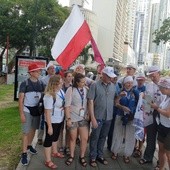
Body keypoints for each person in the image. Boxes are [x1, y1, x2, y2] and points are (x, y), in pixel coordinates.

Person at [87, 66, 116, 167]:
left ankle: (100, 155)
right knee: (95, 137)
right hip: (98, 116)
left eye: (111, 76)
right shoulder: (95, 85)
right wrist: (93, 118)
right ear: (103, 74)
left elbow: (115, 99)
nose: (110, 78)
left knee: (103, 137)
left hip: (108, 117)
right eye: (108, 76)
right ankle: (92, 156)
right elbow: (90, 102)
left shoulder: (113, 86)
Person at [19, 63, 44, 165]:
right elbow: (20, 100)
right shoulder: (25, 83)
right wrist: (21, 114)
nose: (39, 72)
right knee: (26, 132)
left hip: (36, 110)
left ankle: (29, 146)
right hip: (27, 110)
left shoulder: (41, 83)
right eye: (37, 71)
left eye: (39, 71)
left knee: (33, 130)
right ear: (31, 73)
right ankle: (24, 153)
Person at [139, 66, 164, 167]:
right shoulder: (149, 85)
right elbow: (147, 97)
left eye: (153, 76)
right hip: (151, 113)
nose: (152, 78)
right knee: (150, 136)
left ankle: (160, 162)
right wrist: (143, 95)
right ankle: (148, 157)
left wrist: (157, 107)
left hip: (163, 114)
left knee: (161, 141)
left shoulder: (166, 83)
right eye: (150, 76)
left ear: (158, 73)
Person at [111, 76, 139, 164]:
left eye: (131, 83)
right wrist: (122, 107)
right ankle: (115, 151)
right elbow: (115, 103)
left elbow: (139, 104)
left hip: (131, 117)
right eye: (127, 82)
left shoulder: (135, 93)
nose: (129, 84)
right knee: (117, 133)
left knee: (130, 136)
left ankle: (127, 154)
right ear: (124, 84)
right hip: (120, 115)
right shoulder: (120, 92)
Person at [64, 73, 89, 167]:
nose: (84, 83)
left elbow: (88, 103)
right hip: (73, 117)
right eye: (82, 82)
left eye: (84, 81)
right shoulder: (71, 90)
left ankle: (82, 156)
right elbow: (67, 105)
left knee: (84, 138)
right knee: (73, 138)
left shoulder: (86, 89)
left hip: (83, 118)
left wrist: (88, 113)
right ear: (77, 82)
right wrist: (68, 119)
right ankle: (71, 155)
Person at [43, 75, 65, 169]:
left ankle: (55, 152)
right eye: (60, 82)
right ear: (55, 84)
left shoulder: (60, 91)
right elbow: (47, 112)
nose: (62, 83)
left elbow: (62, 101)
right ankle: (48, 160)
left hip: (59, 119)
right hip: (51, 121)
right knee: (49, 139)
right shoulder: (49, 96)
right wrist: (49, 126)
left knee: (55, 137)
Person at [150, 78, 170, 170]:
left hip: (169, 128)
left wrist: (156, 108)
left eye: (161, 88)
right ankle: (161, 167)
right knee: (161, 149)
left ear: (167, 88)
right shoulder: (166, 96)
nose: (160, 90)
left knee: (168, 152)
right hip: (162, 126)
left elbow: (167, 114)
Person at [37, 62, 56, 145]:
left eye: (53, 68)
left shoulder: (57, 79)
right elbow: (41, 92)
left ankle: (51, 136)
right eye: (51, 68)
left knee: (52, 120)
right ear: (47, 70)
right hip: (46, 101)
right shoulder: (43, 80)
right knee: (42, 120)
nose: (52, 70)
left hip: (54, 103)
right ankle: (40, 137)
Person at [58, 70, 73, 154]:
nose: (70, 78)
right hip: (60, 111)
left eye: (71, 76)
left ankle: (67, 146)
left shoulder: (73, 87)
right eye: (68, 76)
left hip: (69, 111)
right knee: (60, 129)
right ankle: (60, 146)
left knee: (68, 129)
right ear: (64, 78)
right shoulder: (61, 86)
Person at [133, 73, 146, 158]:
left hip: (143, 114)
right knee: (135, 130)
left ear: (144, 80)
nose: (140, 81)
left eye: (141, 80)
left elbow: (149, 102)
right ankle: (134, 146)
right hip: (135, 113)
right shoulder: (135, 88)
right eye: (138, 80)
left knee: (142, 132)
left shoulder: (147, 89)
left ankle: (140, 149)